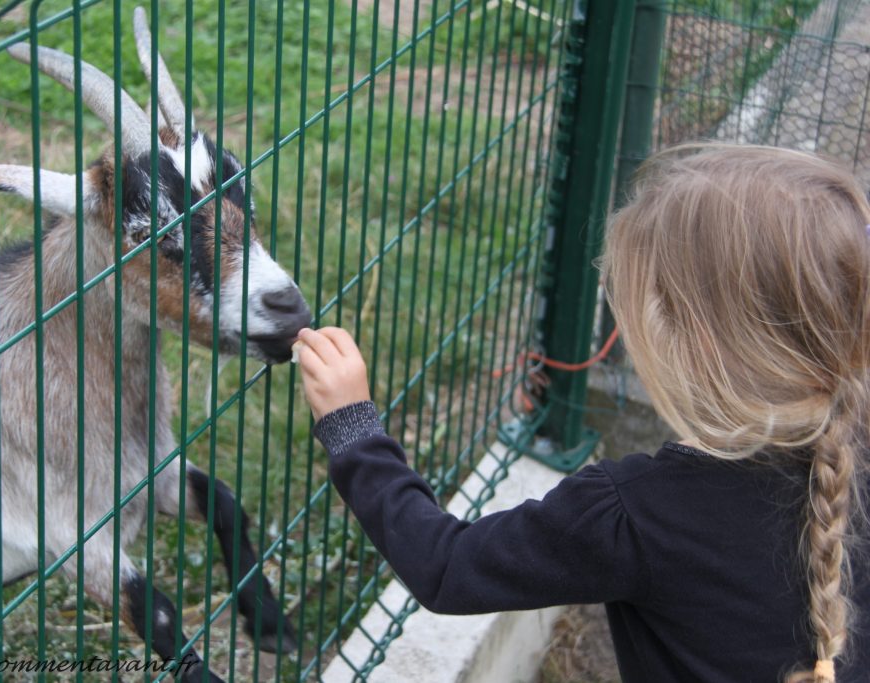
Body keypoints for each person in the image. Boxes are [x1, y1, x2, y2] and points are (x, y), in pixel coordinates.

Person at [294, 144, 870, 683]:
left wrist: (353, 429)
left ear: (693, 342)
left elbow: (446, 567)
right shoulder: (853, 455)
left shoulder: (637, 513)